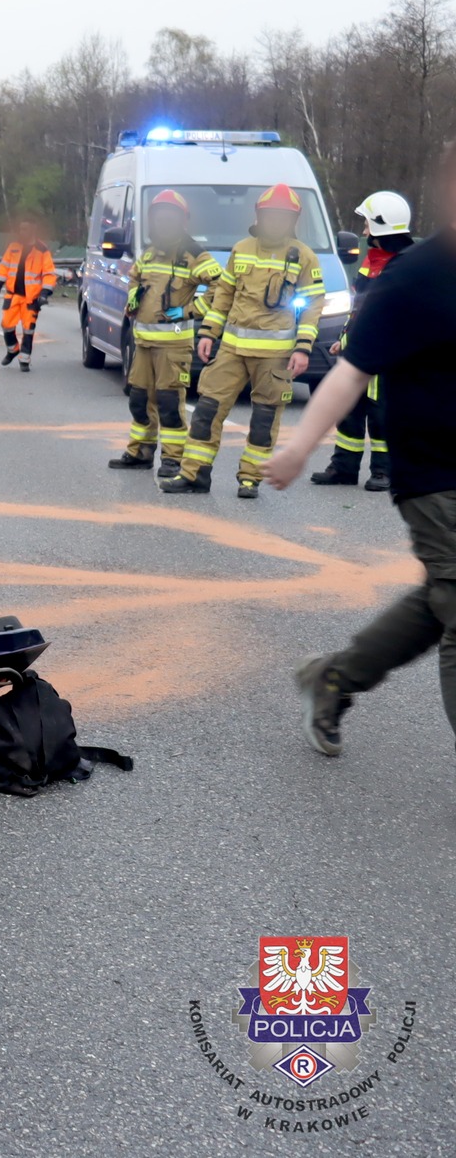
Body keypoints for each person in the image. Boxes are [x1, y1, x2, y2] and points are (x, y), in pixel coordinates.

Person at [264, 186, 456, 757]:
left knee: (440, 599)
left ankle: (334, 678)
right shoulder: (415, 277)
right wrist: (299, 448)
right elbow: (351, 371)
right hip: (434, 471)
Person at [163, 182, 323, 498]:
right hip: (232, 351)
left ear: (293, 220)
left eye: (283, 216)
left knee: (264, 419)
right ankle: (194, 475)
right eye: (270, 215)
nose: (276, 221)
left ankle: (250, 478)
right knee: (208, 409)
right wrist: (209, 333)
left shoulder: (303, 257)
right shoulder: (242, 249)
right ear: (259, 216)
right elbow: (224, 295)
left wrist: (303, 348)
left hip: (275, 357)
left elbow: (313, 305)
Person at [108, 189, 223, 474]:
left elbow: (221, 288)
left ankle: (172, 459)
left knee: (170, 403)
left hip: (173, 346)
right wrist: (133, 295)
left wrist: (189, 311)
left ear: (182, 220)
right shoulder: (149, 252)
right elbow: (135, 276)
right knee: (139, 400)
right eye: (159, 217)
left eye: (169, 217)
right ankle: (140, 452)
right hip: (143, 344)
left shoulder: (194, 253)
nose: (163, 222)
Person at [310, 191, 415, 492]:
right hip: (359, 349)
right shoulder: (372, 261)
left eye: (367, 224)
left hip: (388, 355)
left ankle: (384, 471)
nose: (364, 230)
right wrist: (343, 338)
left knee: (381, 414)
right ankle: (344, 467)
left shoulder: (406, 265)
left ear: (381, 226)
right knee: (348, 409)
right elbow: (359, 307)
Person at [0, 216, 59, 371]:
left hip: (31, 298)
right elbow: (4, 267)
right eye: (20, 229)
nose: (21, 232)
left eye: (25, 229)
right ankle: (13, 349)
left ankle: (24, 359)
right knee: (7, 325)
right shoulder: (13, 247)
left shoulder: (42, 250)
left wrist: (44, 293)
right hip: (12, 295)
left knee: (28, 328)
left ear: (33, 230)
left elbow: (49, 273)